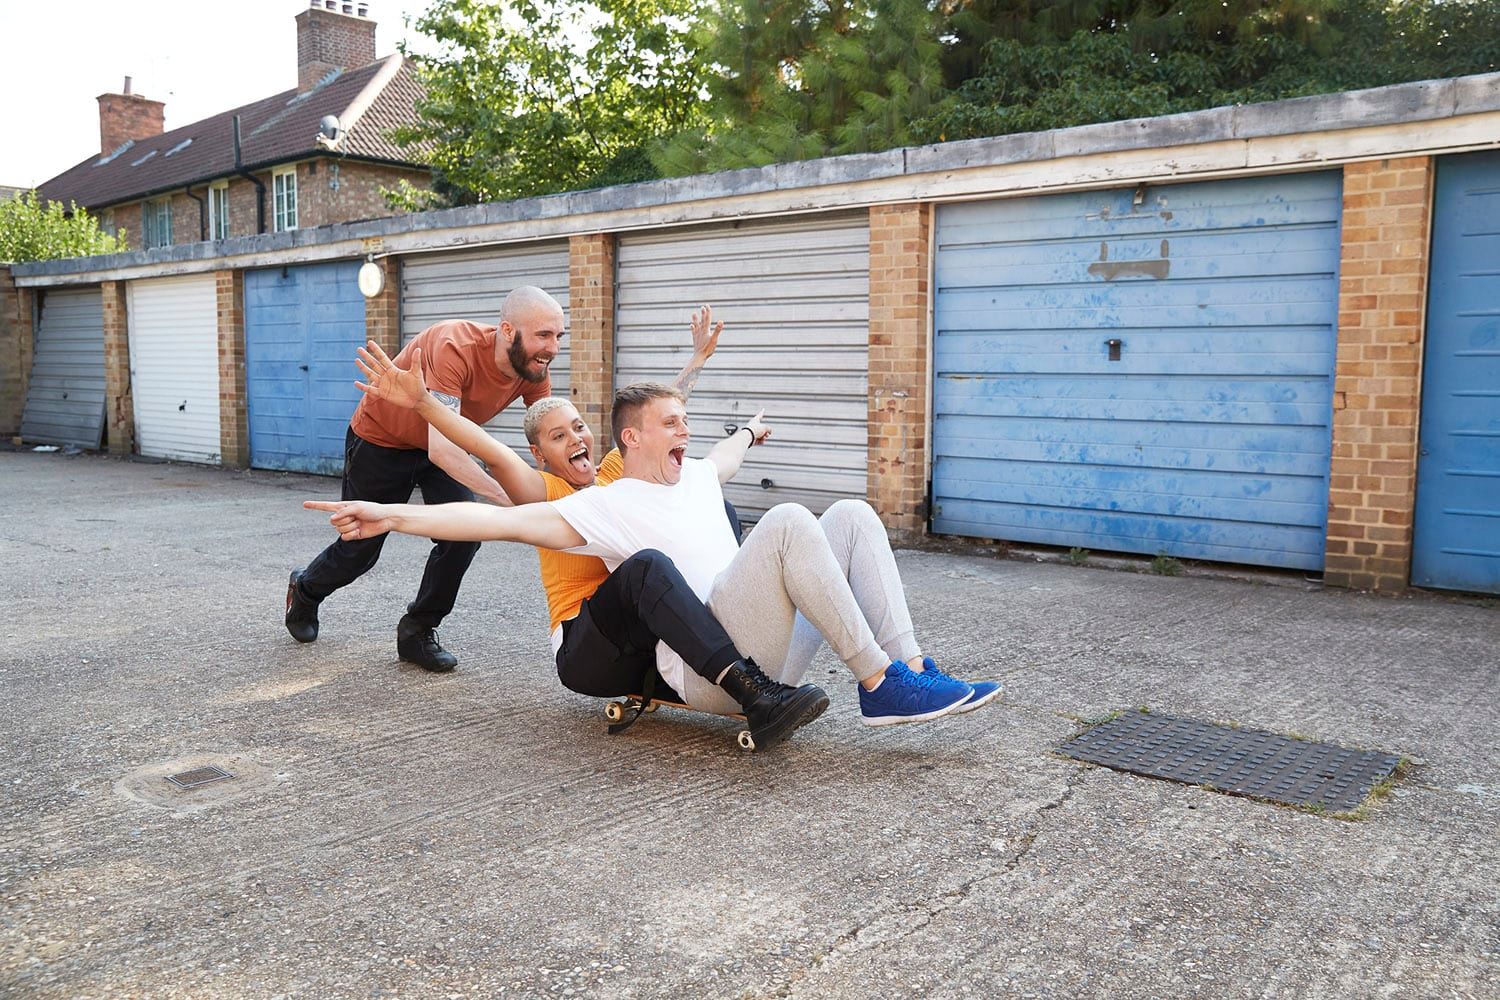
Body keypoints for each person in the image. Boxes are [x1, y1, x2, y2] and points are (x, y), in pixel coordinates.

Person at [306, 382, 1003, 732]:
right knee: (788, 520)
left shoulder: (693, 471)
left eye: (686, 422)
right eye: (671, 424)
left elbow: (721, 452)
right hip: (695, 669)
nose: (685, 430)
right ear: (632, 439)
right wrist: (392, 513)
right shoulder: (602, 504)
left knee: (849, 513)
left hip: (761, 649)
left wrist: (750, 432)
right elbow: (496, 519)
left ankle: (908, 667)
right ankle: (879, 685)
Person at [347, 308, 832, 751]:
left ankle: (724, 641)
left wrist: (698, 359)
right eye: (558, 437)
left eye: (578, 427)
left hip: (645, 632)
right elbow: (488, 453)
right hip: (590, 647)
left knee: (712, 505)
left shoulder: (615, 472)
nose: (576, 439)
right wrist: (424, 408)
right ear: (540, 455)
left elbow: (660, 414)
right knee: (647, 567)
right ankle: (754, 694)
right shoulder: (545, 492)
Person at [284, 285, 563, 673]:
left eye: (558, 336)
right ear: (507, 330)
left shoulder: (532, 369)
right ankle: (307, 588)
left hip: (441, 442)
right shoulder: (454, 346)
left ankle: (417, 630)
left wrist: (577, 487)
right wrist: (511, 498)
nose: (552, 348)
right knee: (361, 546)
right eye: (544, 335)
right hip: (383, 440)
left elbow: (552, 435)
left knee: (463, 536)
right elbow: (444, 450)